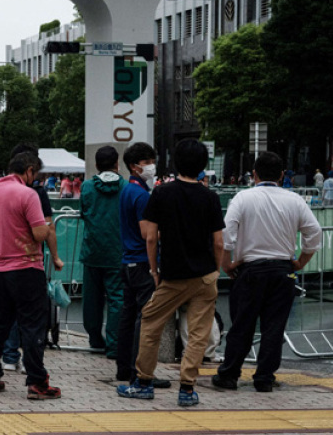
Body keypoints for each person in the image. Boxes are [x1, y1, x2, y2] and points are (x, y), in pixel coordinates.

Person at [118, 139, 224, 407]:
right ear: (203, 165)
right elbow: (218, 242)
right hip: (204, 276)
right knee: (198, 333)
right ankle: (187, 388)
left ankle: (143, 382)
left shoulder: (162, 194)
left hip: (173, 275)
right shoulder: (210, 197)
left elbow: (151, 237)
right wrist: (216, 270)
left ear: (176, 163)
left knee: (150, 322)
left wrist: (154, 270)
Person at [213, 152, 322, 393]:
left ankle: (229, 374)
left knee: (242, 325)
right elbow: (314, 232)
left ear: (254, 174)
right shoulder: (294, 200)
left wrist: (227, 265)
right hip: (283, 270)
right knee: (274, 327)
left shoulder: (243, 198)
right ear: (282, 175)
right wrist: (300, 262)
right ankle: (264, 377)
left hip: (250, 270)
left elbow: (226, 235)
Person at [0, 152, 61, 400]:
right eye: (36, 174)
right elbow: (38, 234)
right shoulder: (28, 195)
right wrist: (47, 227)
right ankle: (37, 382)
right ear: (29, 170)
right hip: (26, 269)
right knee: (32, 326)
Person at [0, 143, 64, 373]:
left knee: (6, 313)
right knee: (31, 315)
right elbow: (47, 228)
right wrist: (55, 256)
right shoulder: (35, 193)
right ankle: (31, 362)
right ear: (30, 168)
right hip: (28, 261)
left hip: (1, 263)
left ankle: (8, 357)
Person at [115, 142, 172, 387]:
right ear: (134, 166)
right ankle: (140, 371)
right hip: (142, 262)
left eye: (152, 161)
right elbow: (148, 234)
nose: (151, 166)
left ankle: (124, 368)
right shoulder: (141, 195)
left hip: (128, 261)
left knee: (128, 317)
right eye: (147, 162)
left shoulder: (127, 190)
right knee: (146, 318)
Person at [80, 146, 126, 359]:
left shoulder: (87, 187)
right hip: (117, 251)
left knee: (91, 299)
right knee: (117, 299)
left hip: (92, 250)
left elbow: (84, 213)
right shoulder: (125, 187)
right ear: (117, 164)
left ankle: (95, 339)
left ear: (97, 165)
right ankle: (115, 345)